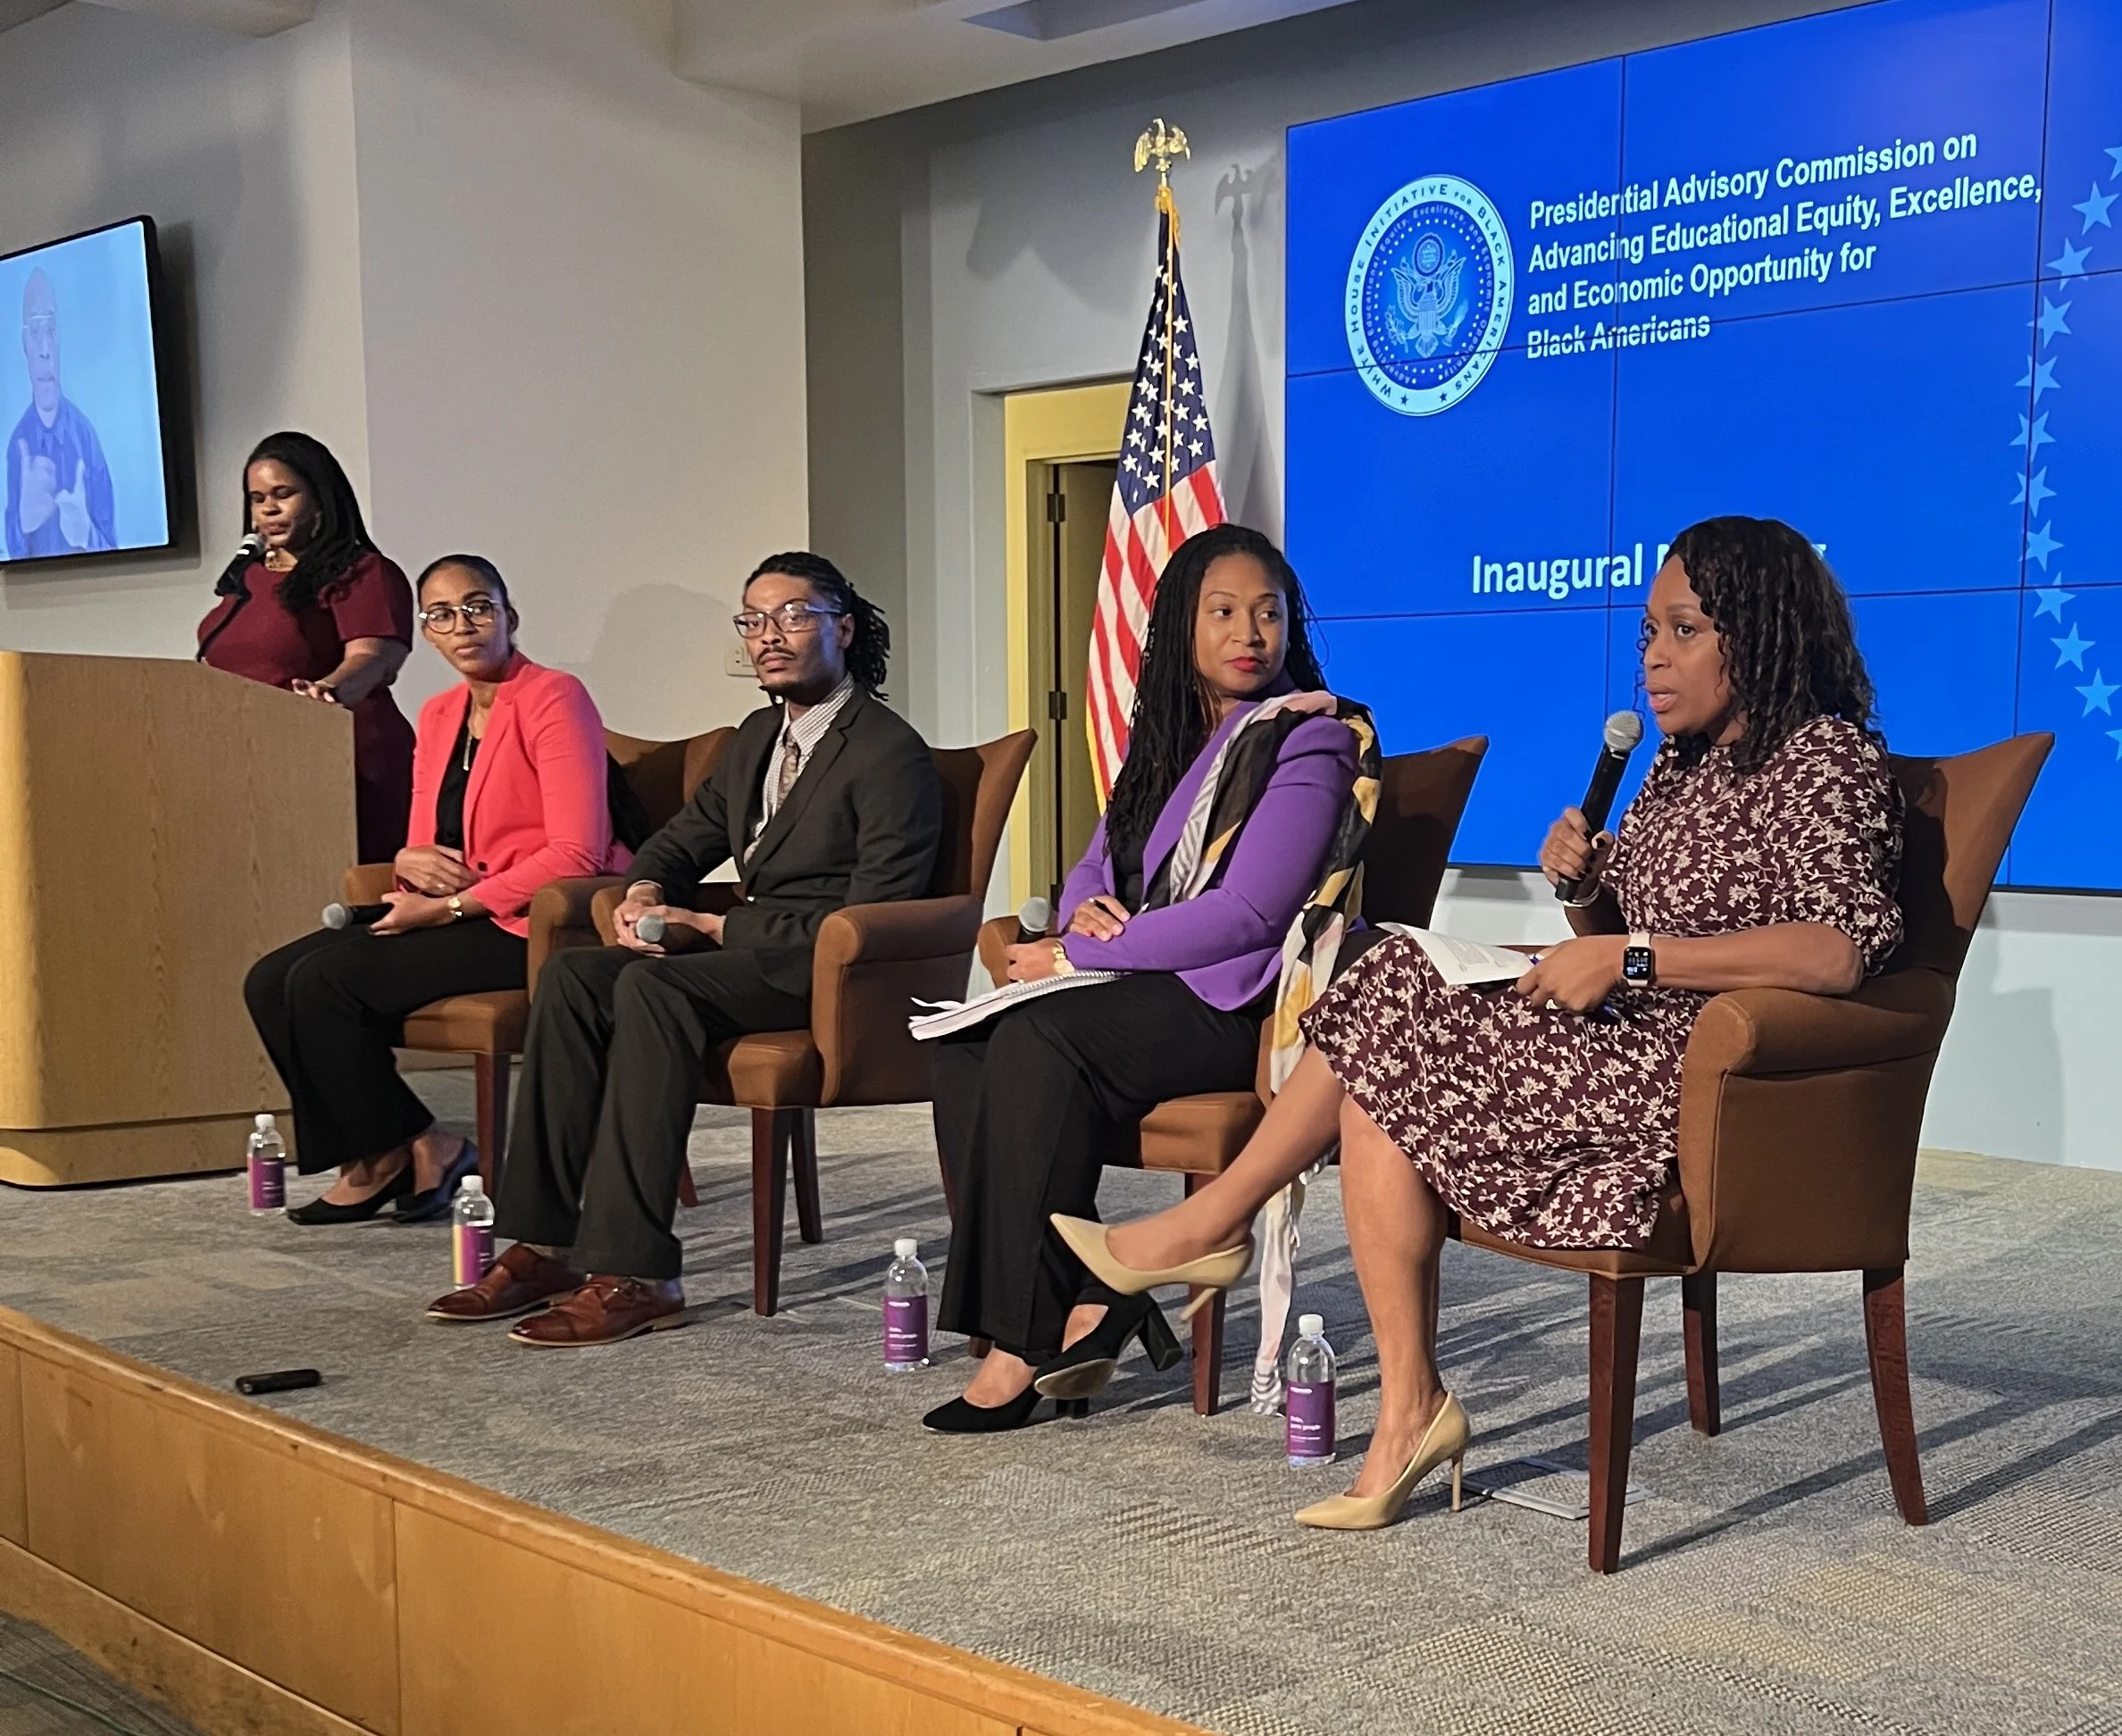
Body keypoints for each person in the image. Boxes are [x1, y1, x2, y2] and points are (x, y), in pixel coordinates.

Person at [1060, 515, 1905, 1528]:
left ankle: (1218, 1226)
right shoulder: (1678, 768)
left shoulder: (1828, 761)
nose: (1653, 660)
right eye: (1647, 634)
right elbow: (1622, 934)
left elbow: (1834, 949)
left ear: (1760, 632)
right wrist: (1586, 896)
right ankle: (1404, 1400)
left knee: (1384, 1014)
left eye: (1683, 631)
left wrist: (1628, 954)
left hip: (1700, 1072)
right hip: (1621, 1034)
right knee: (1383, 1022)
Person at [427, 551, 942, 1347]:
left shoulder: (887, 752)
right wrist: (643, 893)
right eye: (754, 620)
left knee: (652, 988)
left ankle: (638, 1273)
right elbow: (675, 845)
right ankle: (548, 1243)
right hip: (748, 956)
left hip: (828, 971)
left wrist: (718, 928)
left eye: (794, 616)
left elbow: (873, 913)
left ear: (843, 626)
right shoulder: (756, 739)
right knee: (574, 975)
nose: (770, 636)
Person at [922, 524, 1368, 1434]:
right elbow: (1099, 861)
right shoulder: (1164, 743)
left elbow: (1251, 913)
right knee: (970, 1045)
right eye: (1224, 612)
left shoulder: (1306, 739)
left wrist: (1076, 955)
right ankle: (1088, 1292)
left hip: (1241, 999)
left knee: (1040, 1034)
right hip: (1156, 986)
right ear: (1181, 631)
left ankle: (1026, 1340)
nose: (1251, 632)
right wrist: (1084, 912)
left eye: (1268, 613)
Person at [245, 555, 631, 1224]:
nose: (464, 625)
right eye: (443, 615)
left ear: (510, 617)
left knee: (325, 982)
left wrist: (449, 906)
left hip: (533, 921)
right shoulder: (441, 710)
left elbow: (577, 853)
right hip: (456, 913)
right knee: (270, 978)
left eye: (480, 608)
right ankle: (419, 1143)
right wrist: (409, 867)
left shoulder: (553, 696)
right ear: (427, 632)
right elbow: (421, 841)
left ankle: (376, 1160)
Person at [196, 432, 417, 862]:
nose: (268, 509)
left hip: (345, 766)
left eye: (283, 494)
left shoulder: (362, 571)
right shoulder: (247, 580)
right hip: (253, 769)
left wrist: (322, 694)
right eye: (257, 498)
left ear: (320, 497)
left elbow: (373, 658)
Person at [6, 269, 114, 558]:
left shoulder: (86, 436)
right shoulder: (18, 444)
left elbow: (115, 544)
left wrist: (86, 534)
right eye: (34, 332)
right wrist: (24, 524)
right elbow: (13, 555)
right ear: (24, 343)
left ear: (61, 340)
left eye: (51, 331)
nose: (44, 350)